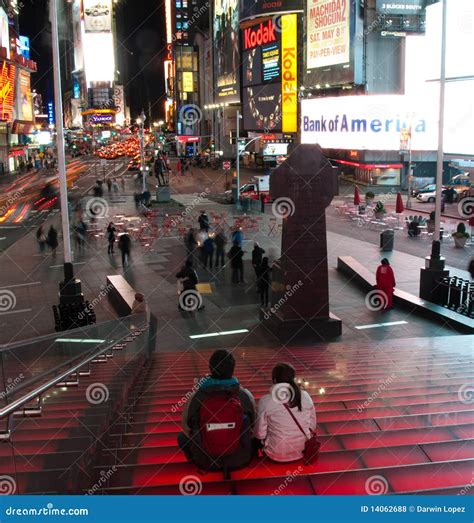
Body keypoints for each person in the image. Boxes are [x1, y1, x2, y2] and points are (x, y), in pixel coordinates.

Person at [178, 350, 256, 476]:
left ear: (210, 368)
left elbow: (187, 429)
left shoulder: (195, 397)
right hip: (240, 458)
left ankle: (196, 459)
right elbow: (253, 426)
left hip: (205, 461)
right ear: (233, 369)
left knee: (181, 437)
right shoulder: (245, 395)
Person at [254, 363, 316, 463]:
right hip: (303, 450)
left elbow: (260, 434)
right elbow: (312, 425)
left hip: (276, 453)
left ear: (274, 380)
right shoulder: (305, 395)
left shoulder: (266, 400)